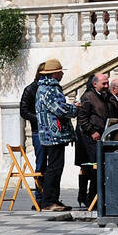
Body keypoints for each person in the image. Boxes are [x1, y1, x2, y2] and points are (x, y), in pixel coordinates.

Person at [34, 58, 77, 211]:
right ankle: (48, 202)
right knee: (55, 168)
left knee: (54, 167)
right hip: (54, 134)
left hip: (48, 134)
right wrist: (74, 108)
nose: (61, 75)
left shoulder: (42, 88)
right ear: (54, 74)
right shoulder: (51, 89)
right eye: (60, 72)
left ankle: (53, 200)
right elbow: (59, 109)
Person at [75, 72, 112, 208]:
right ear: (94, 84)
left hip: (101, 136)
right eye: (104, 83)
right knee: (93, 167)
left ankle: (92, 198)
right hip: (88, 139)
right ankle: (90, 198)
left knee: (95, 167)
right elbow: (82, 118)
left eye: (107, 83)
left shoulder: (105, 96)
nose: (106, 86)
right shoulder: (88, 97)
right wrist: (92, 131)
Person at [19, 63, 48, 177]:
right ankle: (40, 194)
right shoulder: (31, 89)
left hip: (51, 131)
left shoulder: (51, 88)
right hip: (38, 131)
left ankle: (47, 193)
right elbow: (24, 111)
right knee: (40, 165)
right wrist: (40, 119)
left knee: (53, 165)